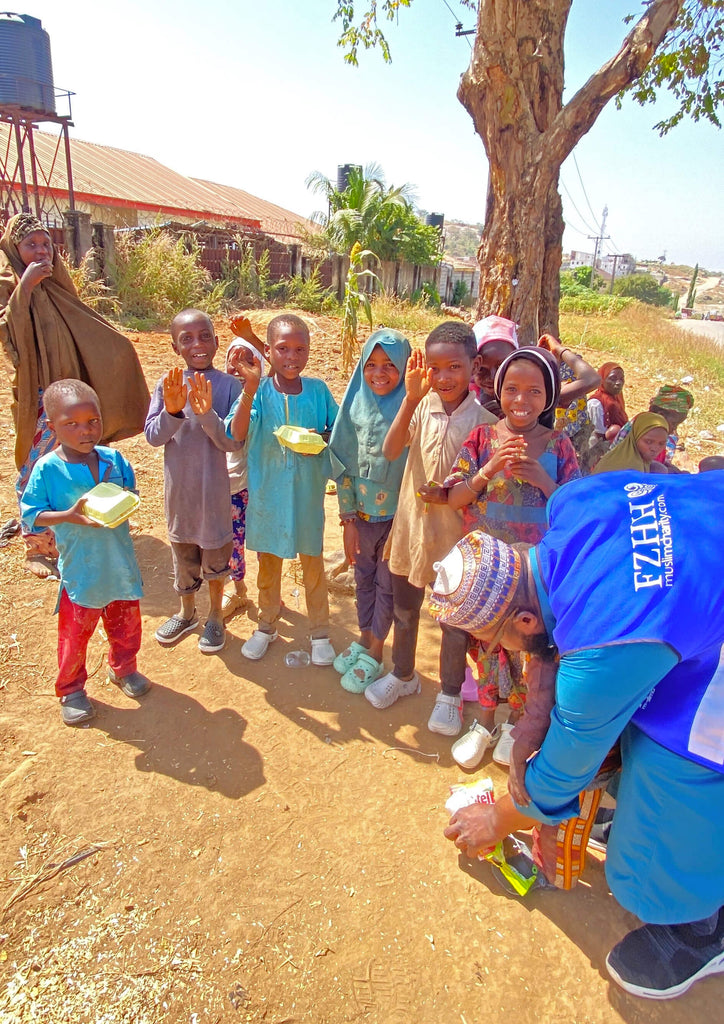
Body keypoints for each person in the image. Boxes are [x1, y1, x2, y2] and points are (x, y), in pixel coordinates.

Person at [434, 472, 724, 1000]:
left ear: (522, 620)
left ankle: (702, 926)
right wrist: (533, 717)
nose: (507, 654)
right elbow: (548, 621)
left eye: (498, 641)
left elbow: (565, 772)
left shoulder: (599, 661)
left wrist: (496, 819)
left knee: (664, 801)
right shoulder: (574, 502)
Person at [445, 347, 579, 762]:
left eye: (534, 391)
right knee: (485, 645)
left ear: (549, 396)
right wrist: (487, 470)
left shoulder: (559, 445)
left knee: (531, 646)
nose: (522, 400)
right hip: (487, 573)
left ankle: (518, 723)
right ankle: (485, 719)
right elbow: (454, 498)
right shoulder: (483, 438)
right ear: (499, 390)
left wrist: (542, 478)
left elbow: (577, 511)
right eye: (513, 389)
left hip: (537, 574)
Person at [362, 322, 496, 734]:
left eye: (453, 367)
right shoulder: (421, 404)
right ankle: (404, 675)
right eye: (434, 368)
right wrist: (410, 399)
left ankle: (450, 696)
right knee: (406, 610)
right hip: (410, 532)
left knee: (453, 623)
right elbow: (390, 450)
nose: (443, 377)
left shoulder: (487, 422)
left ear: (474, 367)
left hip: (456, 542)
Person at [0, 214, 149, 578]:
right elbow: (6, 333)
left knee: (72, 462)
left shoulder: (58, 283)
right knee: (34, 468)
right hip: (40, 395)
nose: (40, 251)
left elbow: (83, 326)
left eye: (46, 244)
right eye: (31, 245)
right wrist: (26, 289)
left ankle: (73, 530)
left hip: (71, 393)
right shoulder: (10, 283)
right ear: (13, 250)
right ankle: (37, 547)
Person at [20, 379, 151, 726]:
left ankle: (123, 668)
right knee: (75, 633)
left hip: (120, 564)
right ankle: (71, 688)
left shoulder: (113, 459)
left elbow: (130, 491)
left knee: (126, 625)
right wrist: (68, 516)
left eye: (92, 421)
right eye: (71, 424)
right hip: (81, 571)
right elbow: (31, 513)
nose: (85, 431)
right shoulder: (48, 469)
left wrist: (127, 503)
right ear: (52, 427)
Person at [225, 313, 338, 665]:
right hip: (267, 496)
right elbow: (237, 433)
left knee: (313, 564)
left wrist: (319, 438)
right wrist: (248, 389)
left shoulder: (318, 391)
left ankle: (319, 631)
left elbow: (338, 430)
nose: (292, 356)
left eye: (300, 349)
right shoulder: (258, 393)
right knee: (269, 564)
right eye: (282, 348)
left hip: (306, 495)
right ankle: (266, 624)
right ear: (268, 352)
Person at [145, 309, 243, 654]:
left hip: (215, 494)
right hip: (180, 496)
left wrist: (205, 414)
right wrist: (172, 412)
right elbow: (153, 437)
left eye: (205, 336)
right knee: (183, 554)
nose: (197, 344)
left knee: (216, 558)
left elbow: (233, 441)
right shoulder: (167, 384)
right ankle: (186, 613)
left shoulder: (231, 386)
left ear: (217, 342)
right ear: (175, 347)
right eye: (187, 339)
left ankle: (215, 615)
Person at [328, 328, 412, 692]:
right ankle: (364, 638)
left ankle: (377, 652)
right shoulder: (354, 405)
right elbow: (342, 461)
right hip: (360, 519)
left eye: (390, 365)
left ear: (406, 368)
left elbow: (414, 475)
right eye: (371, 364)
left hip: (396, 521)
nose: (379, 373)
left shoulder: (414, 410)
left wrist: (403, 526)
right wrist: (347, 519)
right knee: (362, 578)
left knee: (386, 585)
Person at [221, 322, 268, 619]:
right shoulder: (221, 392)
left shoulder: (267, 392)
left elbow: (278, 361)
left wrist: (251, 337)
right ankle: (237, 591)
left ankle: (268, 590)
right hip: (234, 484)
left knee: (265, 541)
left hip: (263, 484)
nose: (239, 368)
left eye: (247, 360)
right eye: (233, 360)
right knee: (233, 541)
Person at [612, 384, 694, 470]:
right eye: (674, 423)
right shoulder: (643, 429)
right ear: (661, 415)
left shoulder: (662, 431)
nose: (674, 428)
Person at [593, 411, 669, 475]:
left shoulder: (640, 461)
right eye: (648, 442)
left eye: (661, 444)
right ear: (635, 437)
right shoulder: (630, 469)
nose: (655, 448)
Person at [586, 362, 627, 469]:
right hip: (598, 447)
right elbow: (599, 433)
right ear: (602, 380)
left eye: (621, 379)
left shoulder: (616, 399)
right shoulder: (596, 403)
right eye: (613, 379)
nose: (618, 383)